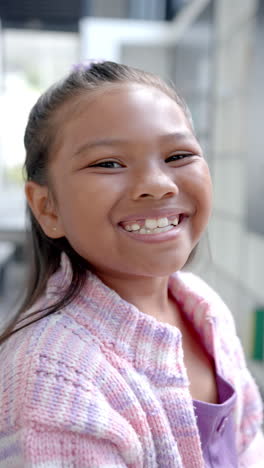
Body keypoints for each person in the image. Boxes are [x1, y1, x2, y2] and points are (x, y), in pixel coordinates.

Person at [0, 61, 263, 467]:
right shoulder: (51, 377)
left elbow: (249, 446)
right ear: (46, 206)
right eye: (108, 163)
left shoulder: (203, 307)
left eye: (178, 155)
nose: (158, 184)